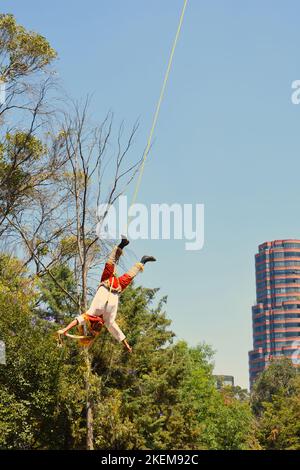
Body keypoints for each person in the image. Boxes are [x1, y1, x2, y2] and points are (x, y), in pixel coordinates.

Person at [57, 236, 156, 352]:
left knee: (110, 263)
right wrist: (126, 344)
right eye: (97, 331)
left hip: (107, 281)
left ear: (91, 326)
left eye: (94, 329)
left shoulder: (90, 315)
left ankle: (122, 244)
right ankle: (143, 260)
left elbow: (77, 320)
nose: (97, 328)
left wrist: (65, 329)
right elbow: (117, 332)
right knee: (130, 275)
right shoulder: (108, 321)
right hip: (118, 287)